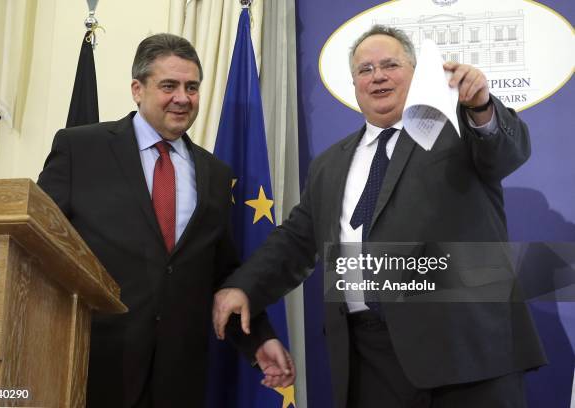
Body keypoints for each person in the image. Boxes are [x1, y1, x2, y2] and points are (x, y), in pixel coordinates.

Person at [213, 25, 546, 408]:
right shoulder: (328, 164)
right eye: (365, 69)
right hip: (369, 361)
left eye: (390, 65)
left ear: (417, 73)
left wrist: (481, 107)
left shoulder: (457, 130)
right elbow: (296, 241)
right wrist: (245, 287)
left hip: (466, 358)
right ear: (354, 84)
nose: (378, 76)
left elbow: (506, 151)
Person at [37, 33, 294, 408]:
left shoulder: (216, 174)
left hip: (179, 376)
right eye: (169, 85)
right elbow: (43, 243)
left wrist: (258, 340)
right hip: (91, 363)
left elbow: (221, 273)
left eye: (192, 87)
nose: (182, 98)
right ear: (137, 89)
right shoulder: (80, 149)